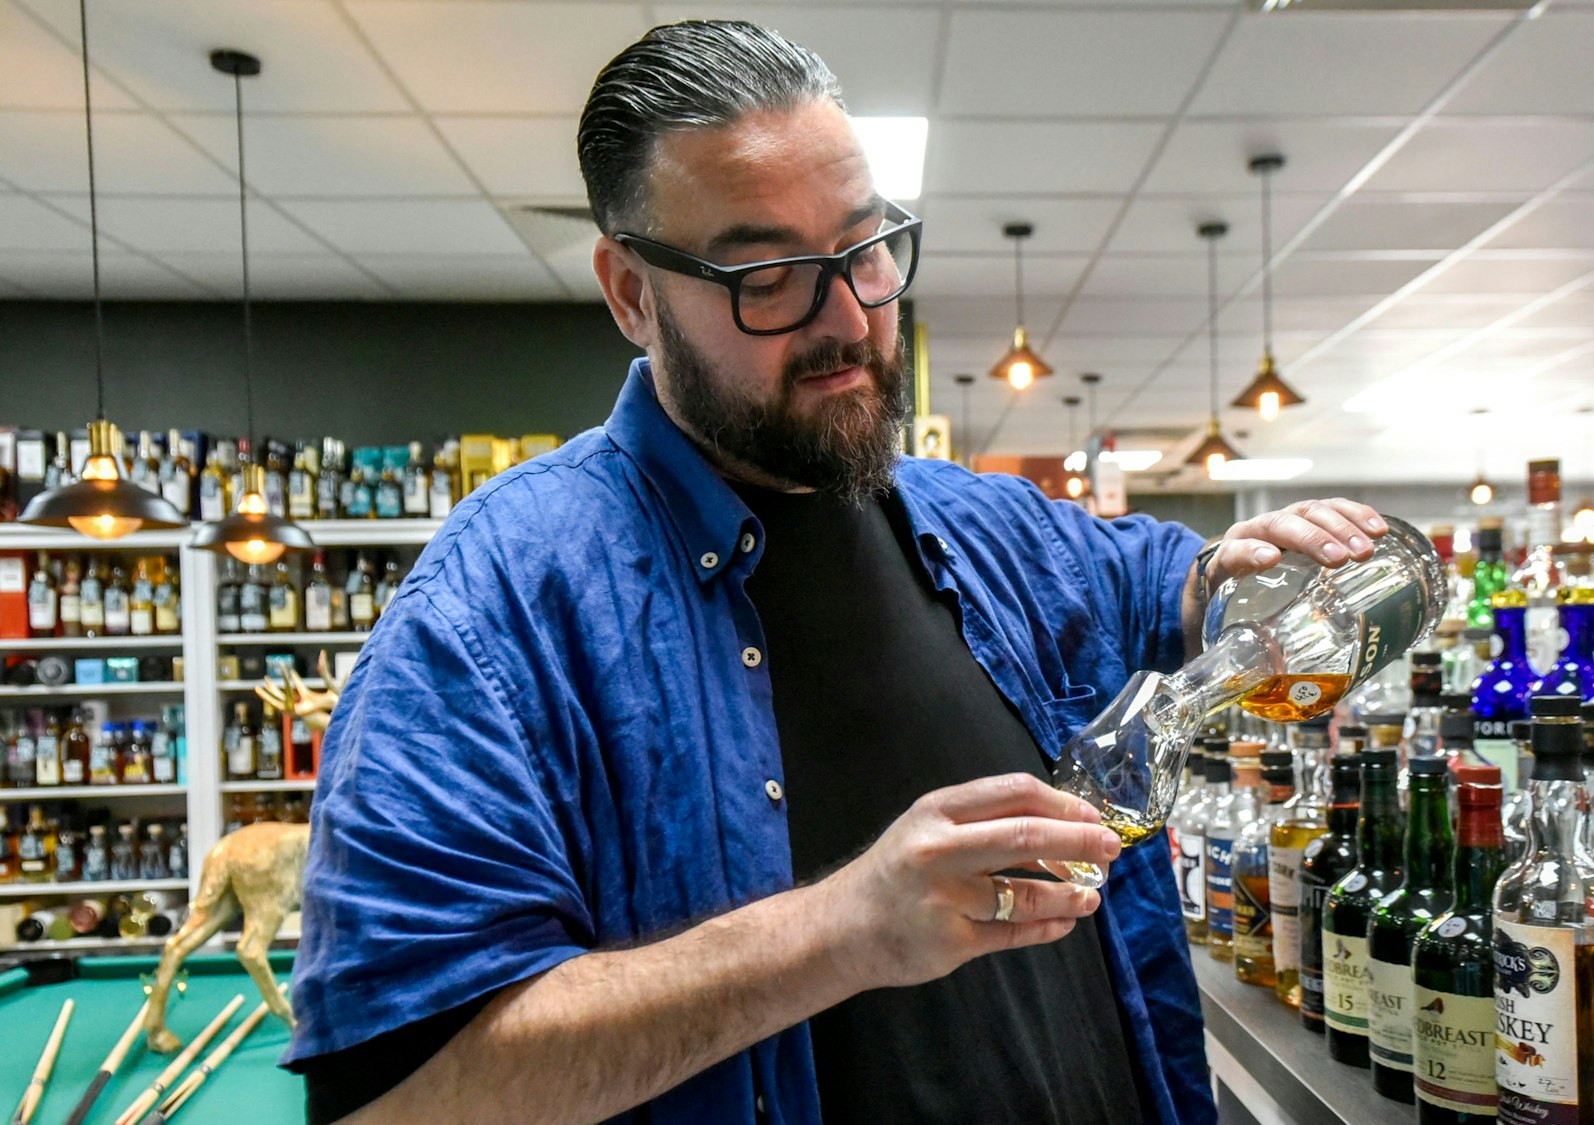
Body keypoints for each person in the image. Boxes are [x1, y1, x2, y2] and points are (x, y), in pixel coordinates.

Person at [281, 20, 1390, 1125]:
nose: (850, 318)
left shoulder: (984, 527)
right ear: (630, 294)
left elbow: (1164, 583)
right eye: (767, 275)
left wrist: (1240, 574)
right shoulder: (494, 614)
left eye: (865, 249)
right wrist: (841, 931)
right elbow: (397, 1092)